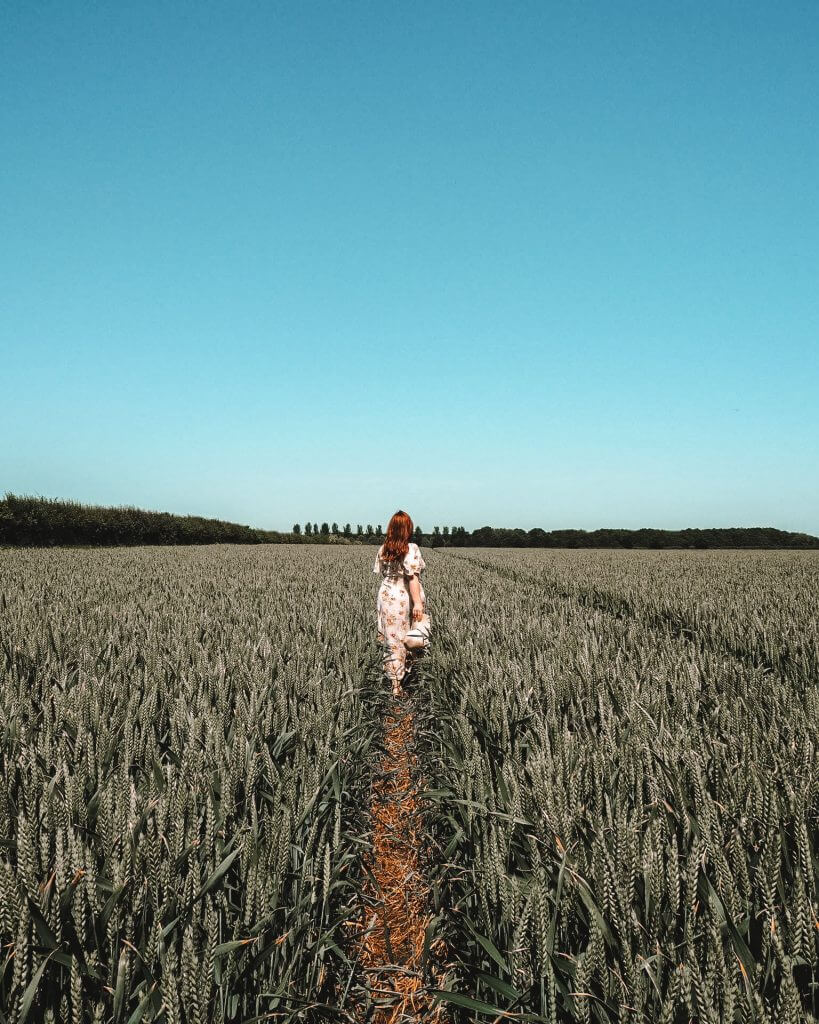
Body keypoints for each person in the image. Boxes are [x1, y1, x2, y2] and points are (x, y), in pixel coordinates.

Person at [372, 510, 426, 696]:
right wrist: (418, 603)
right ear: (407, 528)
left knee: (391, 640)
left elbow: (382, 574)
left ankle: (395, 683)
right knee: (409, 637)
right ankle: (404, 680)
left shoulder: (383, 548)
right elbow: (412, 578)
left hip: (386, 596)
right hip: (403, 598)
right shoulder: (411, 548)